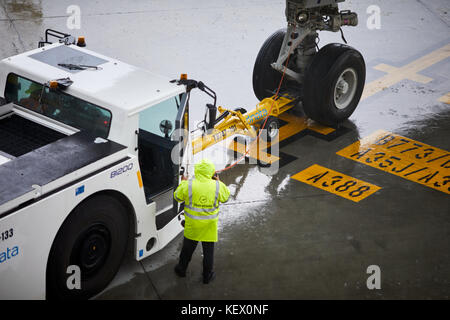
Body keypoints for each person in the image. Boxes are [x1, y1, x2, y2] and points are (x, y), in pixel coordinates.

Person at [173, 158, 230, 284]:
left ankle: (181, 270)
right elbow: (225, 198)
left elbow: (177, 197)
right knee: (208, 253)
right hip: (209, 227)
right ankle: (207, 276)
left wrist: (183, 183)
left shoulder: (189, 185)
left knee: (187, 250)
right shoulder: (217, 186)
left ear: (197, 170)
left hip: (192, 226)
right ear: (212, 172)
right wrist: (219, 182)